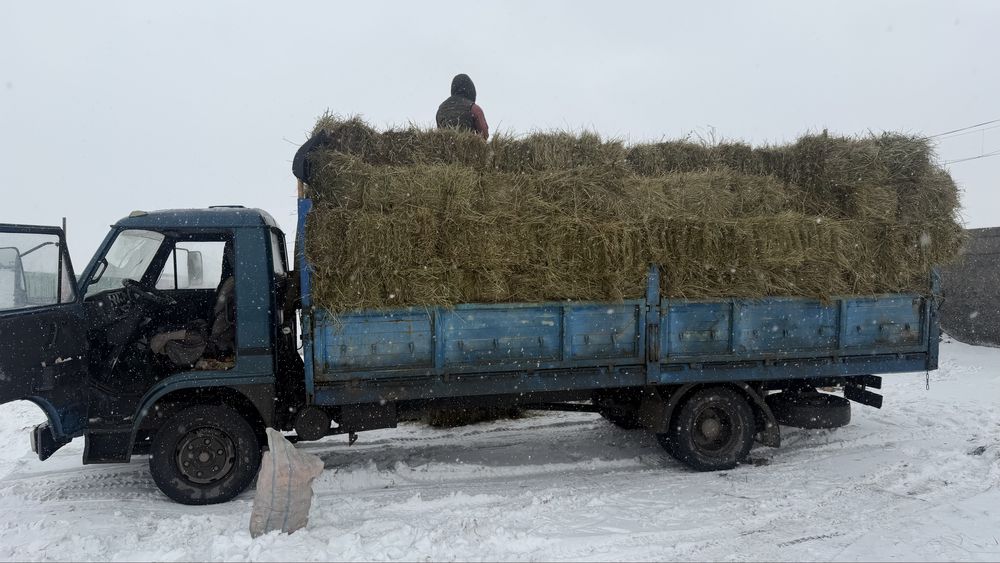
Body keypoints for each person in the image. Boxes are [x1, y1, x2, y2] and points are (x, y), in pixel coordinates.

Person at [436, 73, 489, 140]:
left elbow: (438, 134)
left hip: (444, 148)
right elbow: (484, 134)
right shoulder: (473, 108)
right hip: (467, 148)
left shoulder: (441, 109)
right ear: (471, 89)